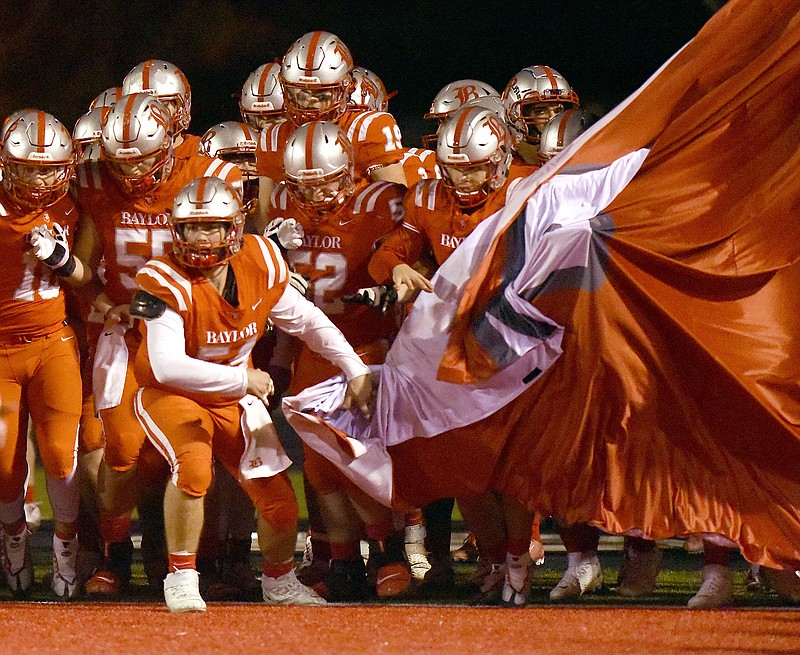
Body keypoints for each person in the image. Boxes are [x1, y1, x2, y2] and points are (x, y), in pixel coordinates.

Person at [129, 176, 374, 611]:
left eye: (213, 227)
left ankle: (278, 580)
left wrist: (352, 365)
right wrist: (243, 381)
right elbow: (168, 366)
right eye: (192, 227)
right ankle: (182, 576)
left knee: (279, 501)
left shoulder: (259, 258)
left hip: (233, 391)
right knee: (194, 468)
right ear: (176, 230)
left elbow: (305, 320)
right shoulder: (159, 278)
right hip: (172, 393)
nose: (202, 237)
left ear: (234, 228)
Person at [366, 104, 537, 605]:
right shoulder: (427, 199)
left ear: (502, 157)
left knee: (509, 460)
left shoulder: (528, 189)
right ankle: (494, 557)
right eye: (455, 167)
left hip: (512, 337)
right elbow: (386, 254)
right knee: (463, 462)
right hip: (452, 343)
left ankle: (518, 560)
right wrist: (396, 269)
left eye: (475, 166)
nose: (464, 177)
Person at [72, 93, 242, 595]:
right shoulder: (96, 182)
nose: (131, 171)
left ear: (171, 142)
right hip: (124, 334)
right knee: (120, 449)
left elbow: (226, 262)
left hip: (188, 335)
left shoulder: (207, 177)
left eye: (142, 158)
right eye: (120, 160)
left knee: (197, 445)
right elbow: (86, 264)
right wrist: (102, 298)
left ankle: (201, 561)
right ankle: (114, 549)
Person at [270, 120, 411, 600]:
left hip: (367, 345)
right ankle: (347, 561)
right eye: (304, 185)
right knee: (319, 465)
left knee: (354, 455)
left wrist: (388, 285)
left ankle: (389, 550)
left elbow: (412, 253)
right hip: (314, 349)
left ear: (349, 171)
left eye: (326, 183)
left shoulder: (378, 201)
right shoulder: (284, 207)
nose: (315, 195)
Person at [0, 110, 92, 599]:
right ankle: (14, 540)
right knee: (4, 464)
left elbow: (87, 276)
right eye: (30, 168)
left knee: (60, 455)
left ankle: (66, 546)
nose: (41, 179)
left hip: (52, 342)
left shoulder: (71, 207)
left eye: (50, 168)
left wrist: (60, 259)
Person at [255, 30, 408, 229]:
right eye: (300, 93)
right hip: (300, 245)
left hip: (359, 242)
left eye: (321, 95)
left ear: (346, 88)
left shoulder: (366, 129)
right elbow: (265, 212)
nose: (309, 103)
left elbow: (398, 206)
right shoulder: (273, 137)